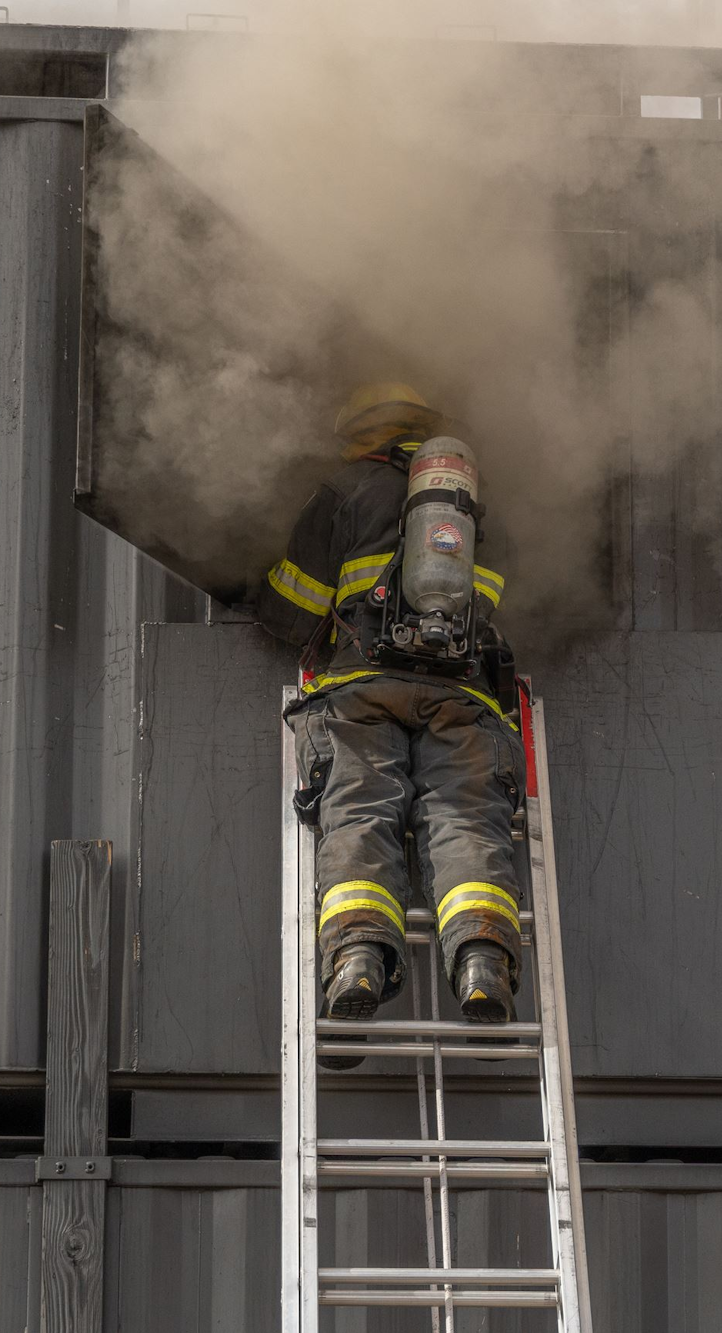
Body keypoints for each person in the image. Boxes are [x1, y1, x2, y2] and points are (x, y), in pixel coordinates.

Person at [255, 382, 523, 1067]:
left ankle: (356, 964)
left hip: (362, 690)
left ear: (362, 432)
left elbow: (292, 606)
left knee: (359, 810)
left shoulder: (345, 487)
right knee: (467, 819)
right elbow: (492, 603)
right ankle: (483, 962)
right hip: (461, 698)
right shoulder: (472, 508)